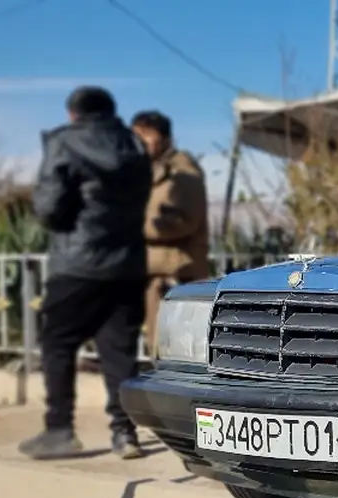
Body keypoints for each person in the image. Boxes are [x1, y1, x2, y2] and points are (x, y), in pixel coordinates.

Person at [20, 86, 154, 461]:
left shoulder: (64, 143)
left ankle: (59, 429)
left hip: (77, 264)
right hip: (128, 264)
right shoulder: (133, 145)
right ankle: (125, 434)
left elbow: (49, 209)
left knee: (58, 345)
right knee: (119, 352)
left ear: (73, 114)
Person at [129, 110, 211, 350]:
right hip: (153, 274)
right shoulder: (148, 171)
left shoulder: (183, 173)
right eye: (136, 136)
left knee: (174, 351)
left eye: (147, 136)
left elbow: (183, 221)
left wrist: (130, 226)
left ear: (165, 139)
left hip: (175, 276)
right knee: (159, 350)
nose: (141, 143)